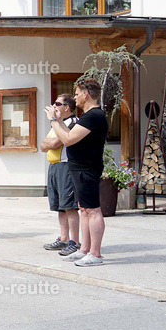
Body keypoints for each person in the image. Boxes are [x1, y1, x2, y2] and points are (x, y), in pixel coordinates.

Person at [45, 77, 109, 267]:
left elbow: (67, 139)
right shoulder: (88, 116)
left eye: (76, 93)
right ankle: (84, 249)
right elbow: (68, 132)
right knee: (83, 209)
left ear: (85, 94)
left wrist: (53, 120)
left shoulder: (94, 116)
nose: (75, 97)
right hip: (78, 167)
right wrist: (59, 120)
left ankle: (95, 254)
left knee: (93, 210)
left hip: (87, 168)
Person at [41, 94, 80, 255]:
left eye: (58, 103)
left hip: (67, 166)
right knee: (60, 207)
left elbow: (58, 142)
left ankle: (75, 242)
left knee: (70, 206)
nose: (54, 106)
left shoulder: (72, 122)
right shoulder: (57, 124)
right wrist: (50, 144)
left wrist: (50, 143)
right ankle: (64, 238)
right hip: (54, 166)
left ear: (67, 108)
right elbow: (43, 145)